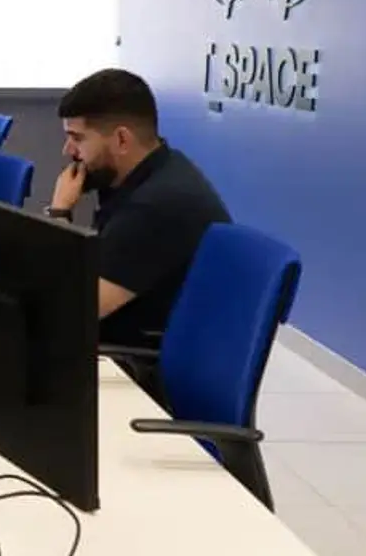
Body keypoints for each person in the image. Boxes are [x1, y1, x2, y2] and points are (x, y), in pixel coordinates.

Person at [47, 69, 230, 388]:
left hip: (142, 371)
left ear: (121, 139)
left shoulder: (156, 206)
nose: (68, 152)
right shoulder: (151, 173)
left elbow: (73, 311)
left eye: (77, 138)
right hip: (130, 345)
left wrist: (60, 213)